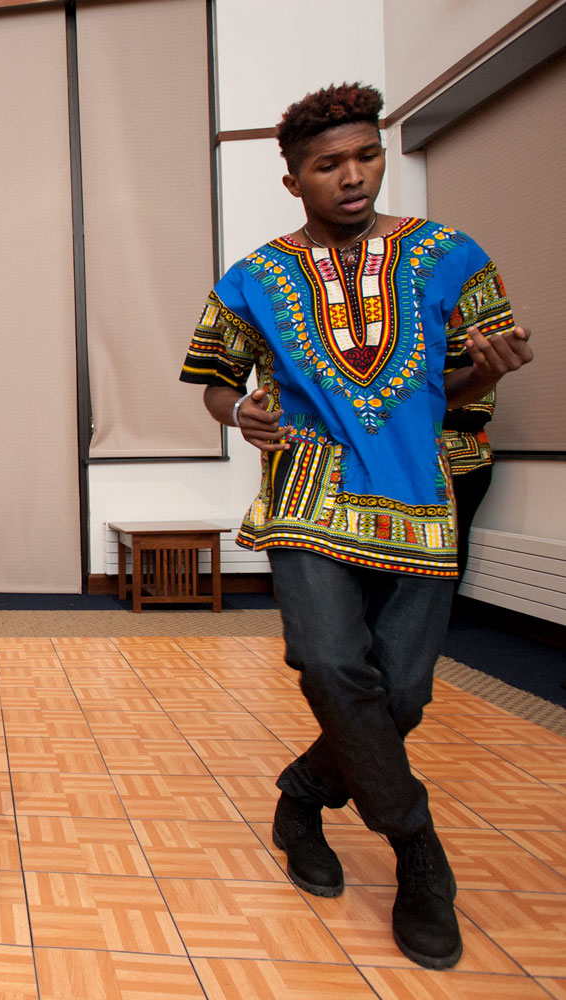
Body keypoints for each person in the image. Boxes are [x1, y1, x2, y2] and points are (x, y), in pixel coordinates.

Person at [179, 84, 533, 969]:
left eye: (366, 156)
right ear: (293, 179)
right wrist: (240, 414)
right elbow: (216, 379)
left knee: (402, 697)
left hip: (419, 496)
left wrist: (489, 371)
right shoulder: (255, 277)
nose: (353, 177)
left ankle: (303, 793)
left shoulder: (452, 255)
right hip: (310, 489)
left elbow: (441, 393)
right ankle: (418, 849)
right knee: (332, 662)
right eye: (329, 165)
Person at [443, 390, 495, 591]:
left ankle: (448, 606)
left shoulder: (478, 373)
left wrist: (426, 412)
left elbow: (476, 418)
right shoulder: (423, 375)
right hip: (431, 469)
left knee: (456, 535)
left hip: (468, 467)